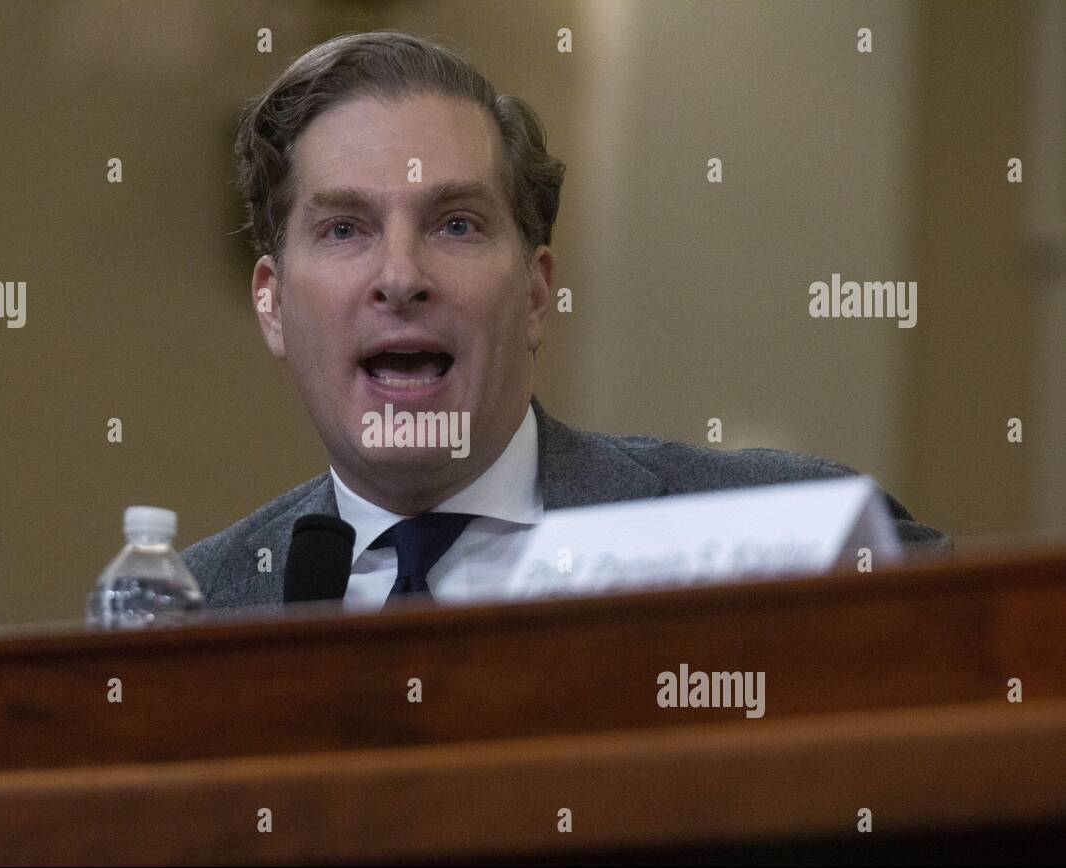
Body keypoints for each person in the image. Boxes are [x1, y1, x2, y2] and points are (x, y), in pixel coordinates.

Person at [181, 30, 950, 611]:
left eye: (455, 224)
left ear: (537, 294)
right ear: (273, 306)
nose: (401, 278)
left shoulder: (792, 540)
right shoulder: (185, 617)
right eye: (345, 229)